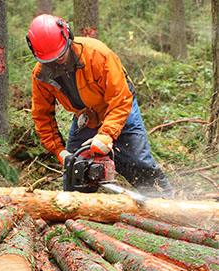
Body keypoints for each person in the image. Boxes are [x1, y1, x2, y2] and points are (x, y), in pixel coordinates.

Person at [26, 14, 172, 197]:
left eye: (61, 54)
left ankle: (167, 203)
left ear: (67, 36)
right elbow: (42, 115)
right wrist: (59, 151)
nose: (57, 61)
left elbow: (121, 99)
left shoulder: (97, 54)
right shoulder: (41, 74)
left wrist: (106, 135)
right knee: (75, 172)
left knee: (139, 163)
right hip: (86, 116)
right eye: (51, 59)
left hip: (119, 107)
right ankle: (77, 218)